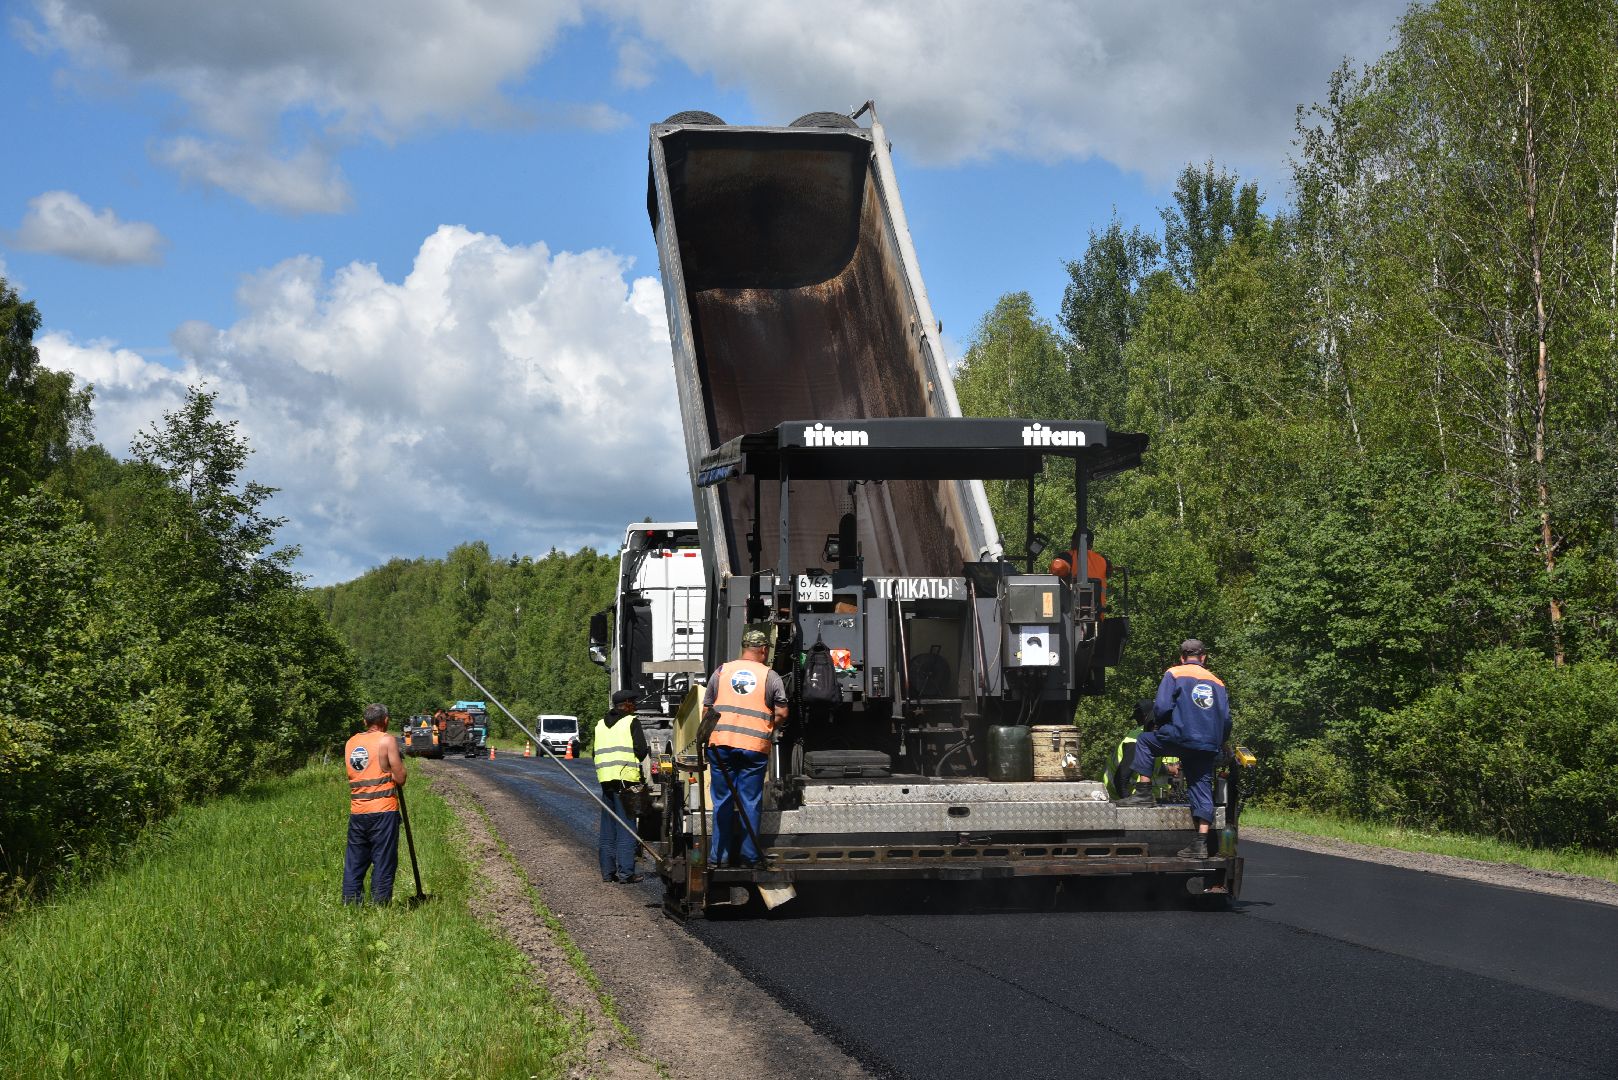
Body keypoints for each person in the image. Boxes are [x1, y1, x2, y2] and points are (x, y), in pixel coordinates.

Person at [1117, 639, 1231, 858]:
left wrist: (1159, 723)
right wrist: (1220, 741)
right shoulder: (1218, 682)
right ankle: (1201, 843)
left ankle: (1143, 794)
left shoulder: (1174, 673)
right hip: (1207, 744)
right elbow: (1226, 720)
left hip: (1180, 736)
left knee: (1145, 741)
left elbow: (1161, 706)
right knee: (1201, 785)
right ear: (1204, 658)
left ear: (1181, 657)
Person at [700, 628, 789, 868]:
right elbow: (781, 711)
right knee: (749, 800)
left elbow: (707, 709)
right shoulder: (770, 676)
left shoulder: (721, 671)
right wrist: (768, 727)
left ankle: (719, 857)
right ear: (762, 649)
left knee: (723, 801)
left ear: (743, 647)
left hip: (721, 746)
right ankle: (750, 857)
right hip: (753, 747)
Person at [344, 703, 407, 904]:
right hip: (383, 811)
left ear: (365, 721)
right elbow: (400, 777)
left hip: (358, 811)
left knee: (355, 862)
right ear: (385, 721)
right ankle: (380, 905)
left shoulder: (350, 742)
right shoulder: (386, 740)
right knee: (383, 860)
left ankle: (351, 904)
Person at [595, 688, 649, 883]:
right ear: (626, 704)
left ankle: (608, 873)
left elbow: (595, 753)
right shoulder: (631, 722)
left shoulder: (600, 724)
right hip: (626, 781)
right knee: (627, 826)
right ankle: (626, 873)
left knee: (608, 828)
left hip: (606, 780)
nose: (635, 706)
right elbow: (641, 751)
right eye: (632, 702)